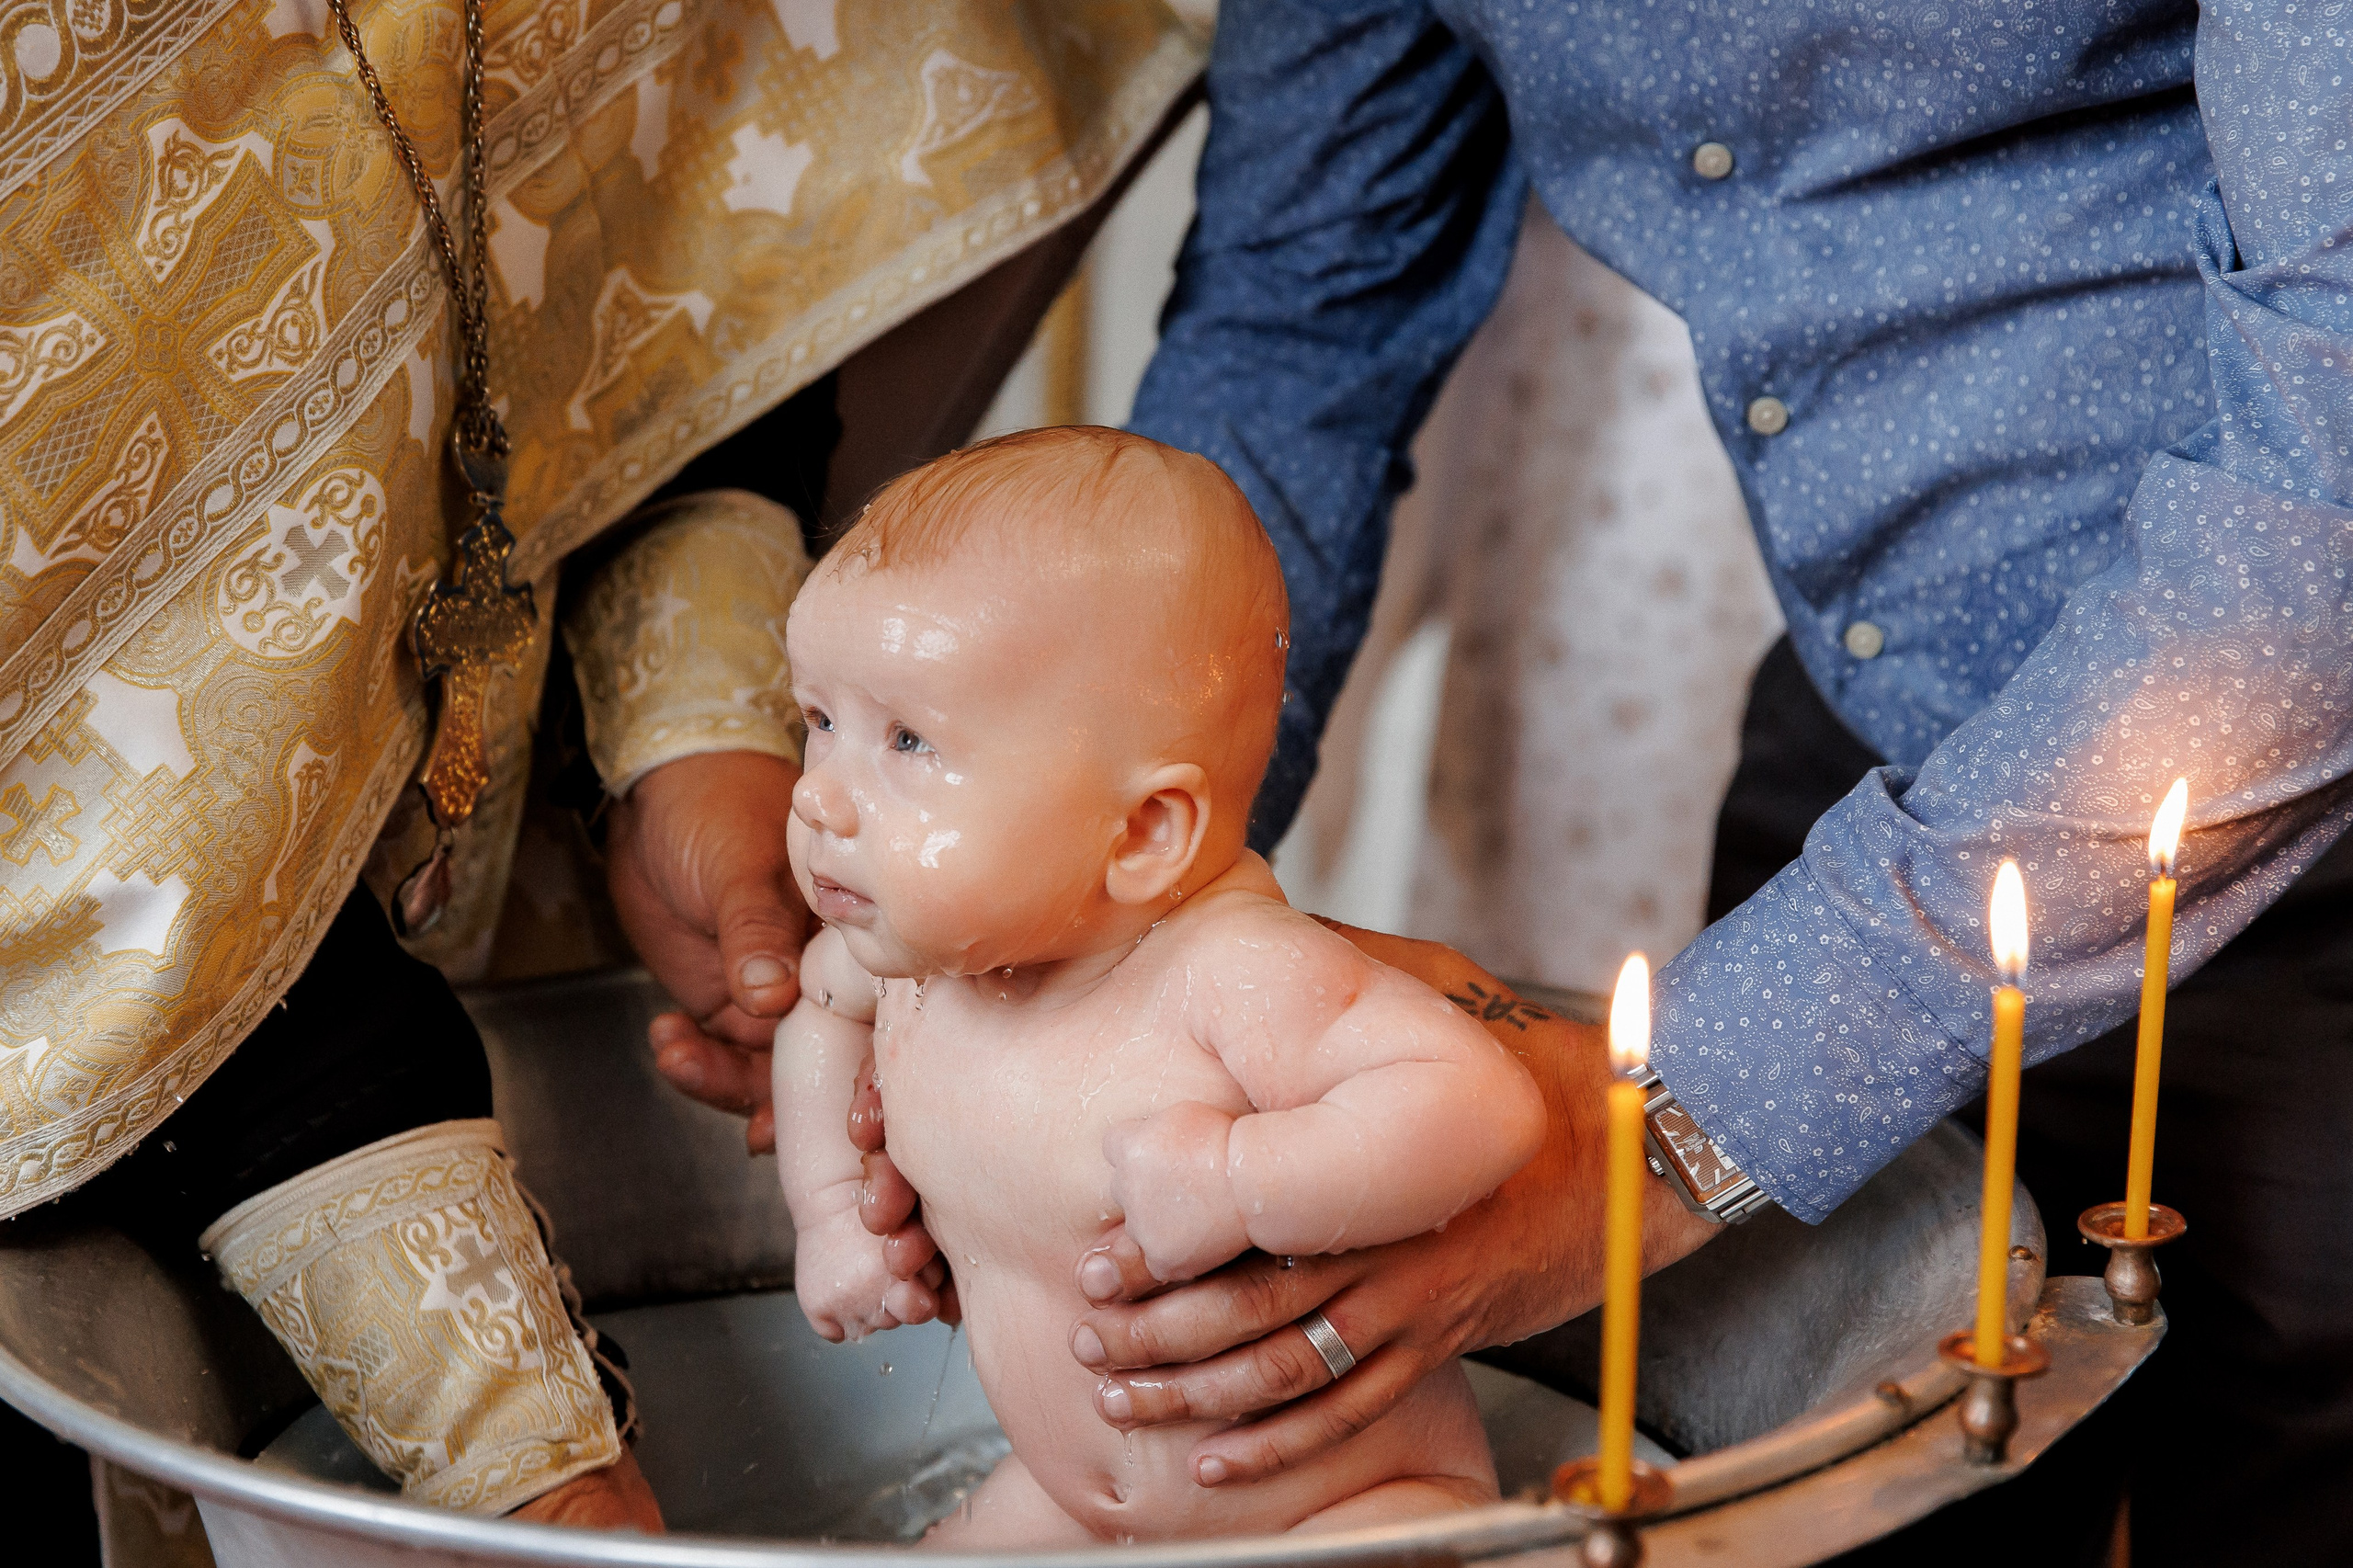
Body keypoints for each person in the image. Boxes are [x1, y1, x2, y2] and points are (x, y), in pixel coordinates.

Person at [670, 4, 2347, 1561]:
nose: (831, 792)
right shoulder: (1001, 944)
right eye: (833, 732)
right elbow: (1302, 322)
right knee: (1854, 1459)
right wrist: (1029, 900)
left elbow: (2331, 476)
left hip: (2281, 716)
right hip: (1874, 723)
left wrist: (1696, 1108)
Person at [0, 0, 1204, 1549]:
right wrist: (524, 1444)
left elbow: (667, 247)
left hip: (560, 905)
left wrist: (697, 727)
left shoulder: (1207, 972)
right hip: (180, 1115)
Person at [772, 427, 1544, 1544]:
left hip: (1340, 1509)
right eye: (820, 722)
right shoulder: (907, 956)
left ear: (1142, 830)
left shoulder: (1228, 971)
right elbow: (816, 1018)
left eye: (908, 741)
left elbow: (1481, 1101)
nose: (822, 800)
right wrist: (833, 1212)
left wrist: (1244, 1175)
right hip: (1068, 1498)